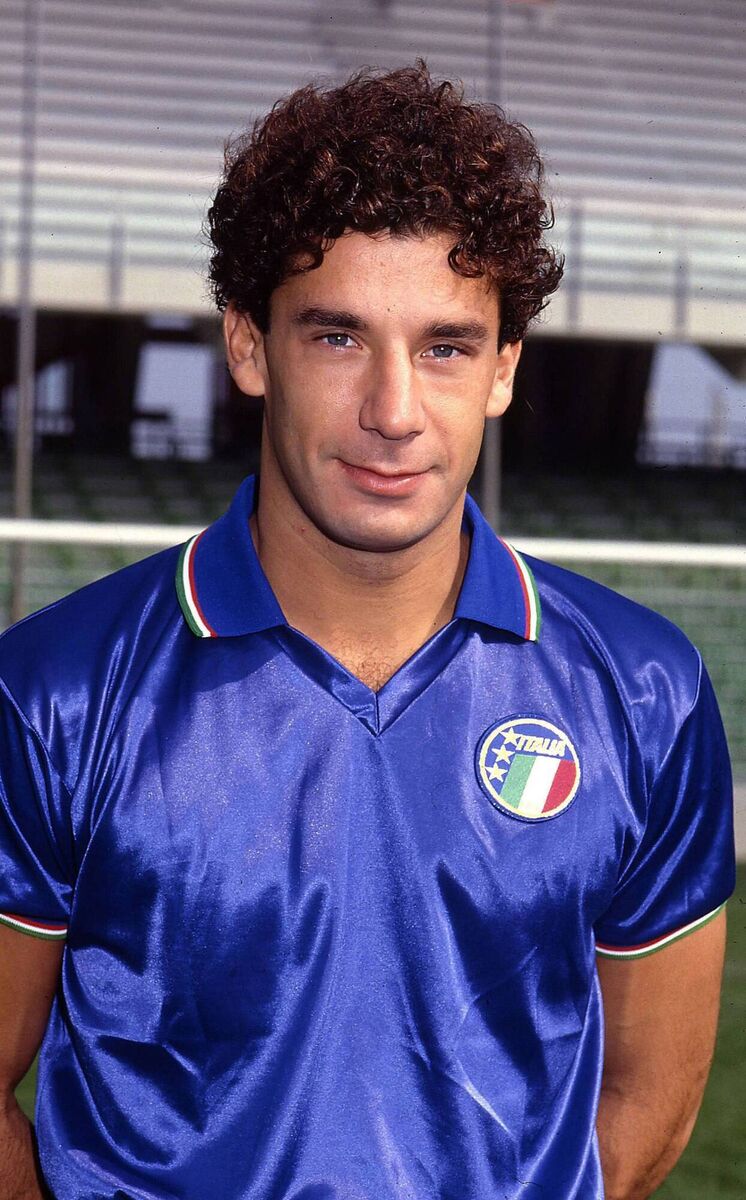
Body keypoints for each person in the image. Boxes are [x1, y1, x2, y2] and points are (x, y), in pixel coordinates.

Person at [0, 62, 735, 1200]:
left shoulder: (644, 692)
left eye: (444, 346)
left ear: (501, 370)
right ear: (248, 346)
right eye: (338, 338)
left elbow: (648, 1100)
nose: (393, 412)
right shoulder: (55, 691)